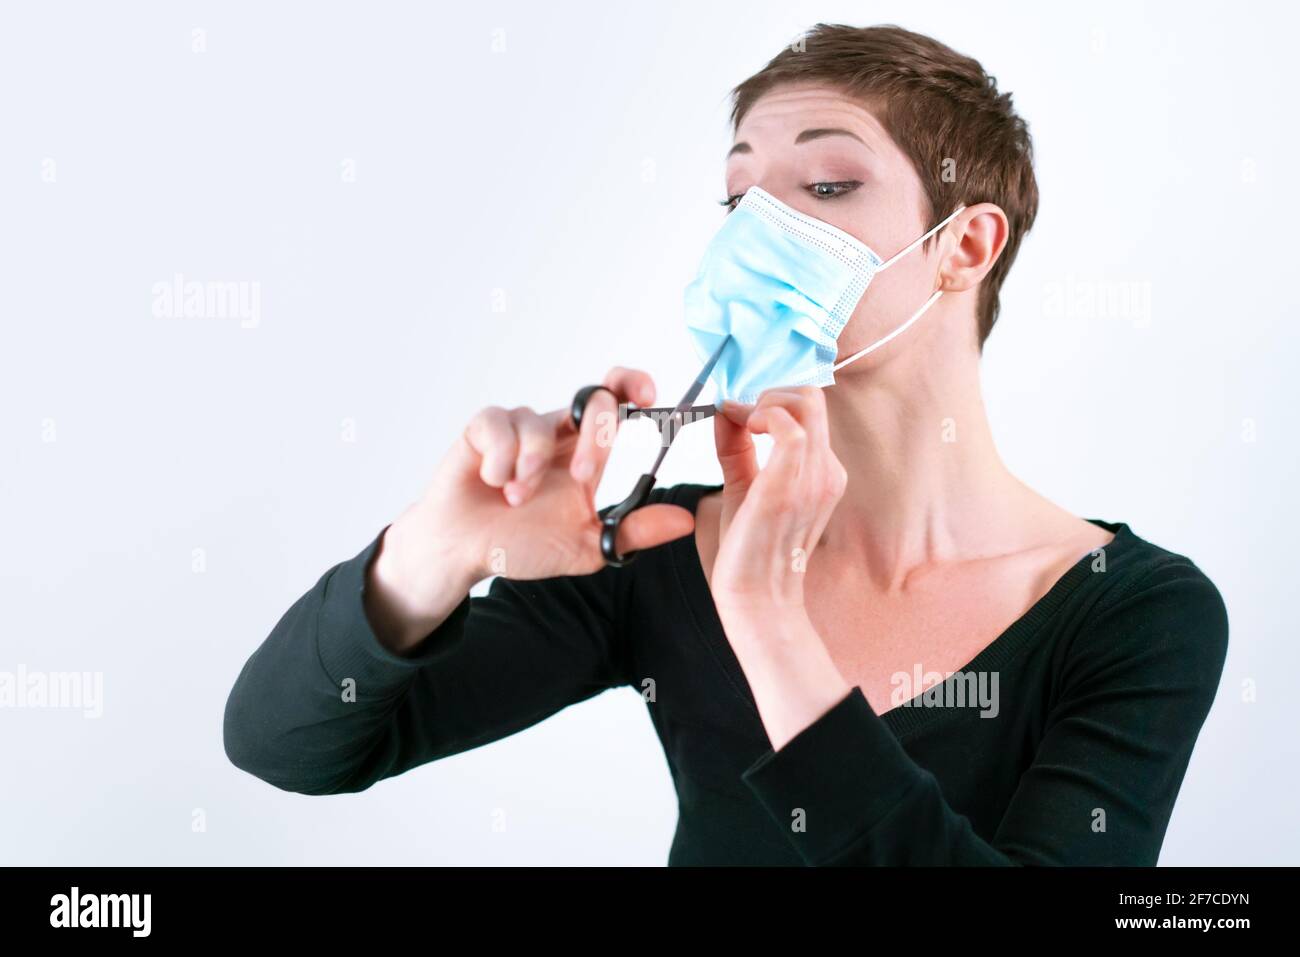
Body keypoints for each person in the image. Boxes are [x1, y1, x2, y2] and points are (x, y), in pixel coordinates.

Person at [223, 23, 1228, 865]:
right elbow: (290, 746)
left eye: (828, 185)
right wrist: (435, 553)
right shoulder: (661, 545)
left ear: (964, 245)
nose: (759, 230)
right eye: (738, 199)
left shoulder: (1137, 614)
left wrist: (766, 617)